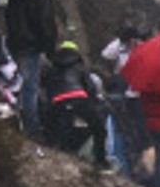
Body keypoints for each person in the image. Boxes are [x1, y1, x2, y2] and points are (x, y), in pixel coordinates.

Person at [3, 0, 60, 141]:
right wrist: (50, 51)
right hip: (31, 48)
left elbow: (8, 18)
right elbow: (46, 27)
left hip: (13, 45)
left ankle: (9, 119)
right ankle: (32, 128)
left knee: (12, 84)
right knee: (30, 89)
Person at [41, 41, 109, 169]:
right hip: (78, 97)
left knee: (63, 129)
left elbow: (46, 88)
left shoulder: (51, 68)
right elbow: (90, 88)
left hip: (58, 100)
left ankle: (64, 156)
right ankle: (100, 160)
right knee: (99, 128)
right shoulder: (80, 66)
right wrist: (93, 104)